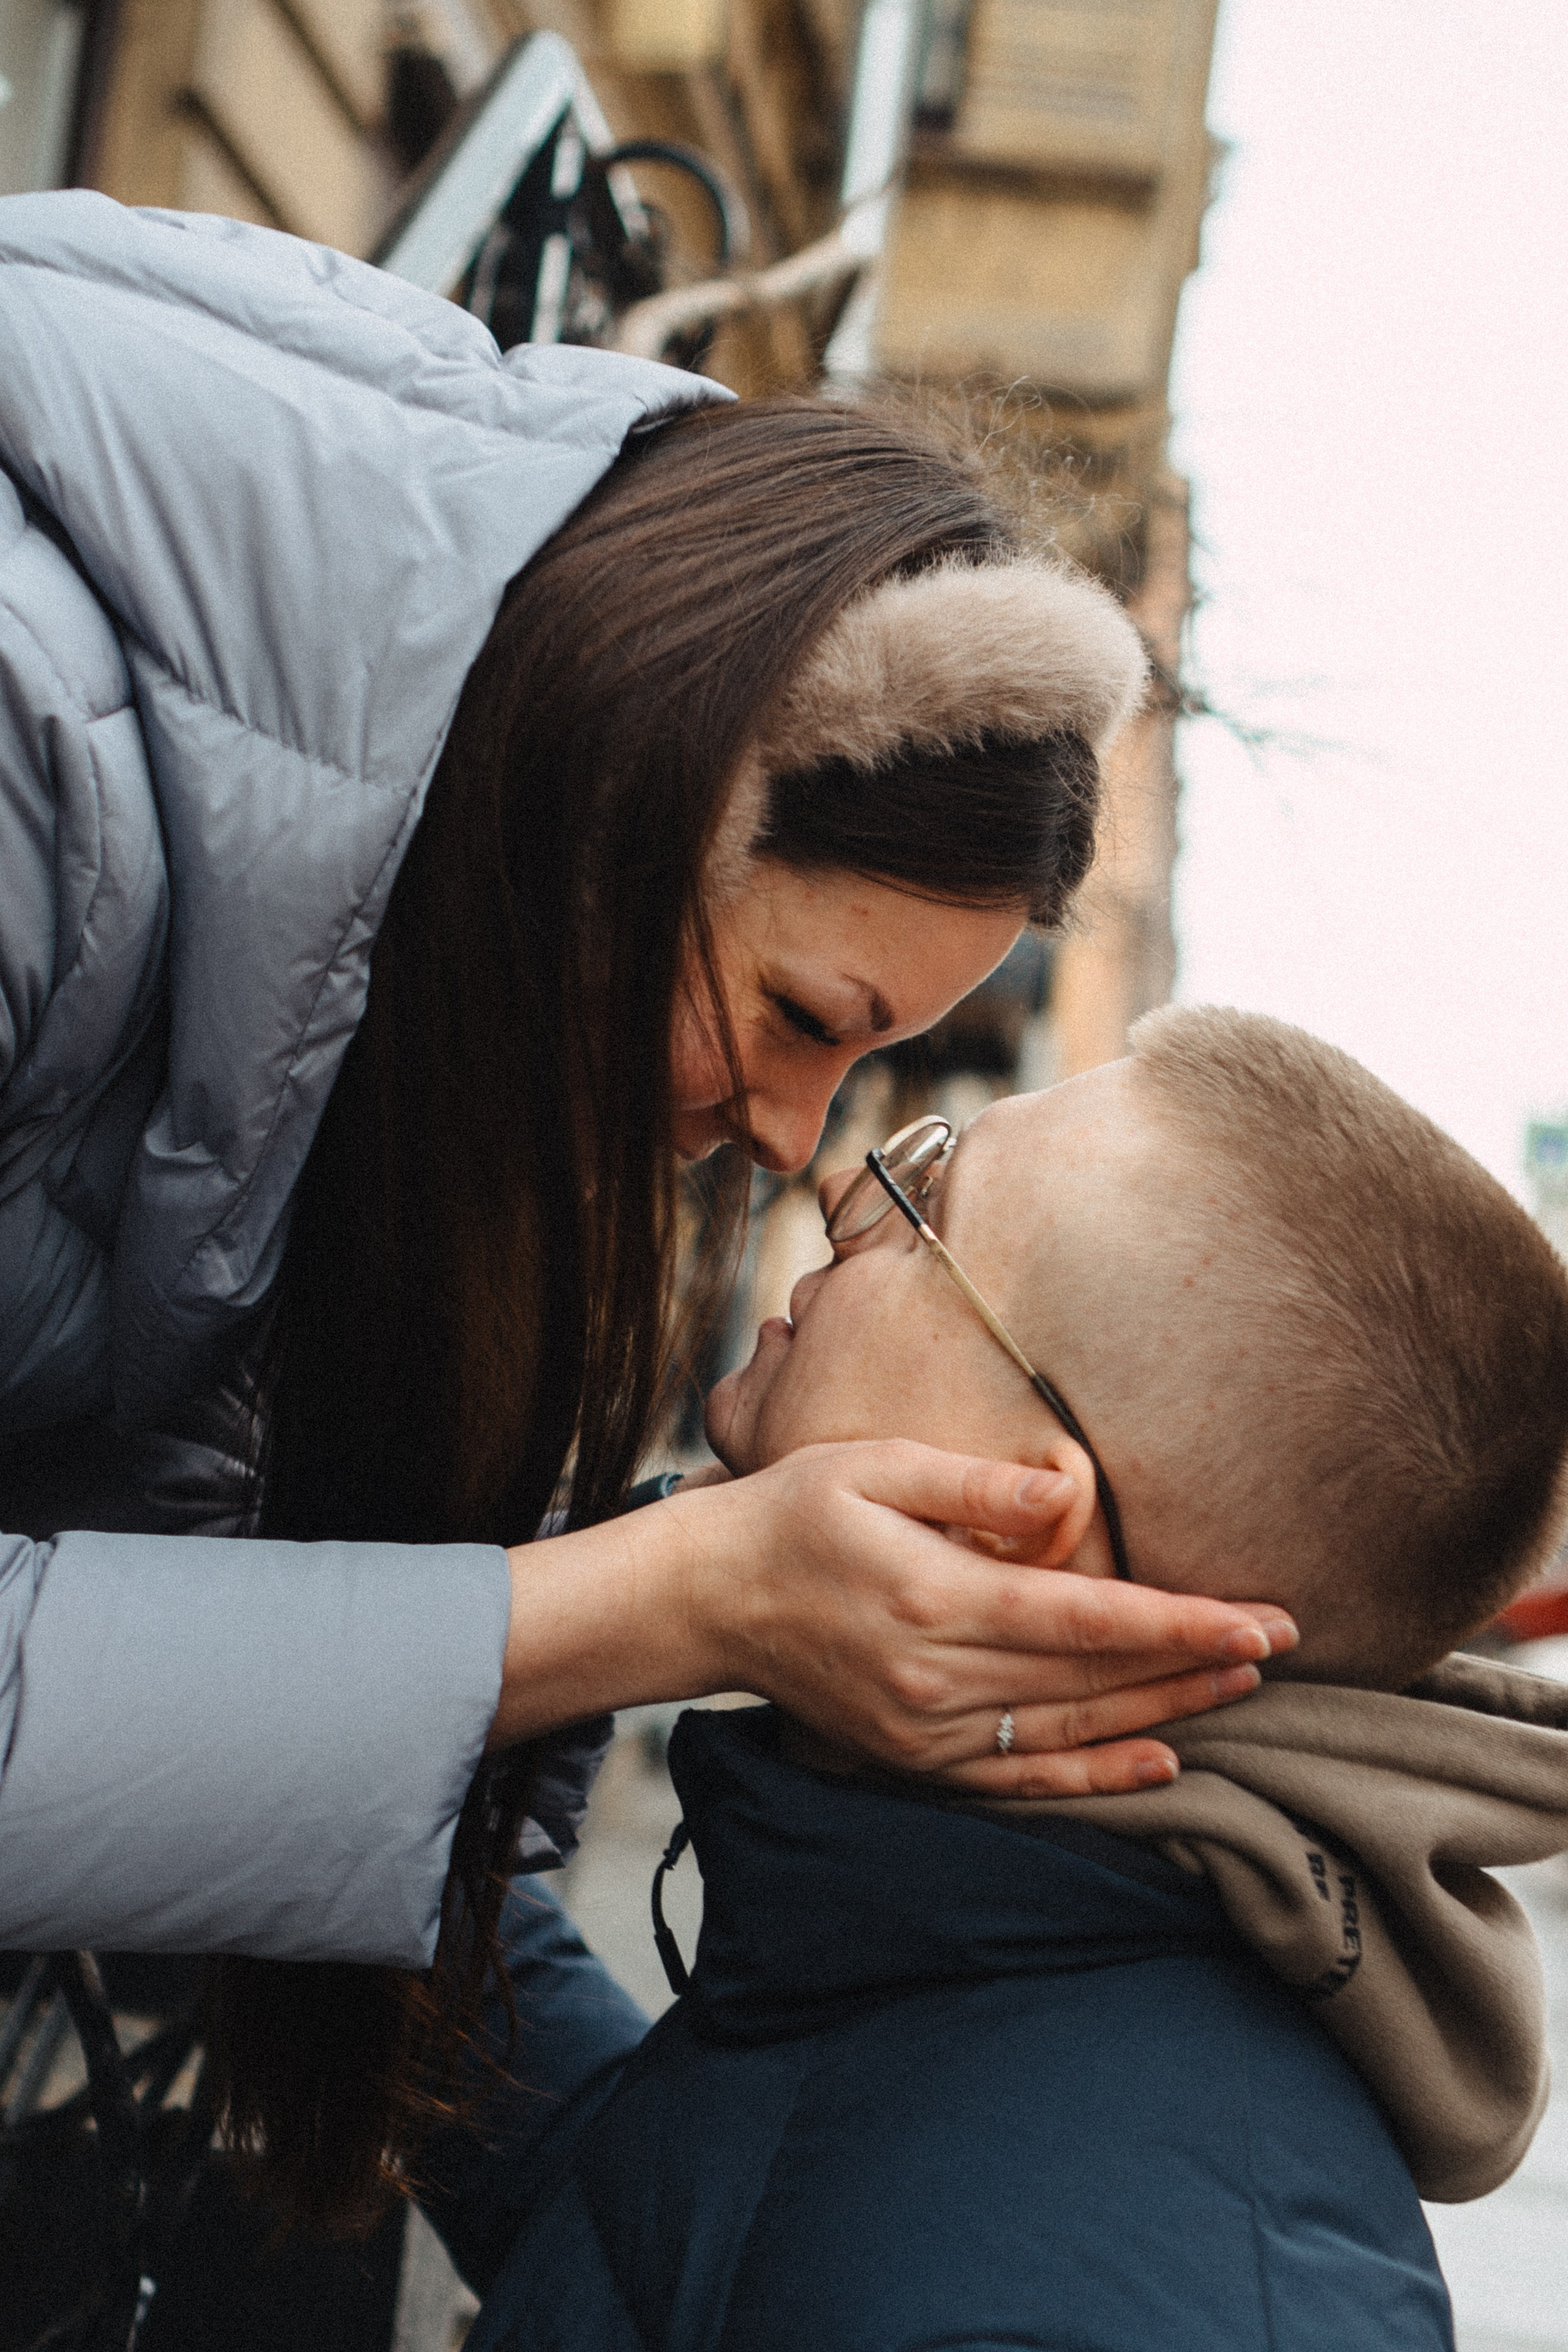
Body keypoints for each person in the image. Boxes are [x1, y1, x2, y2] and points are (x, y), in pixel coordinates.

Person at [0, 192, 1297, 2226]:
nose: (797, 1144)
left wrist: (742, 2264)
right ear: (640, 774)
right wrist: (661, 1602)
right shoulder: (29, 758)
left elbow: (328, 1812)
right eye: (801, 1017)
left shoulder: (384, 1050)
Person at [442, 1009, 1568, 2351]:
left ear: (1016, 1516)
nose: (842, 1195)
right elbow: (660, 2236)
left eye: (924, 1201)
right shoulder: (945, 1948)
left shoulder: (1130, 2295)